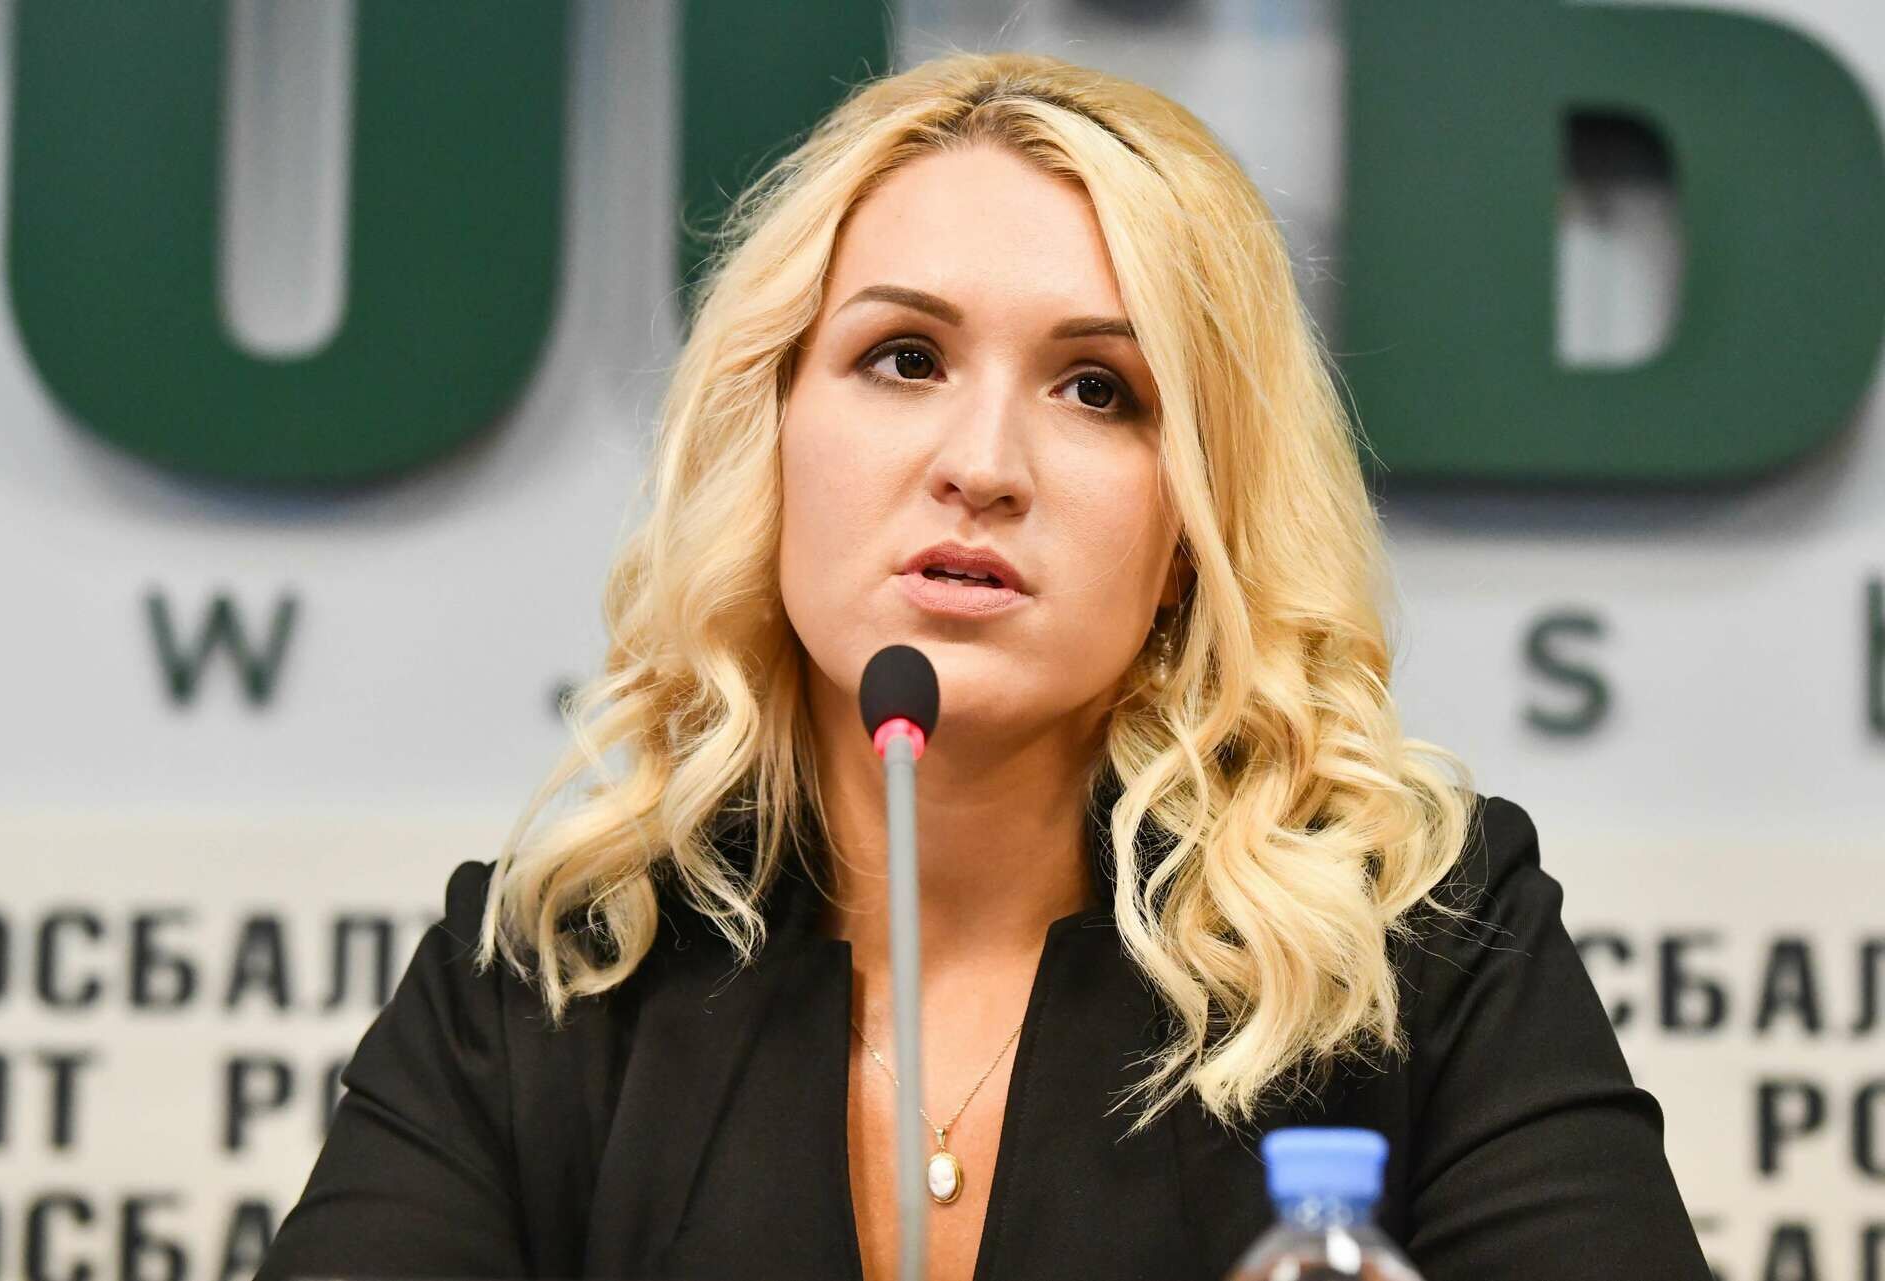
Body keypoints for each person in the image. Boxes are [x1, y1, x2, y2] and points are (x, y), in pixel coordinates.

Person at [256, 50, 1710, 1281]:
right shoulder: (556, 975)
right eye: (905, 358)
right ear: (772, 431)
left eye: (1098, 389)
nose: (984, 464)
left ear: (1193, 526)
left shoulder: (1421, 947)